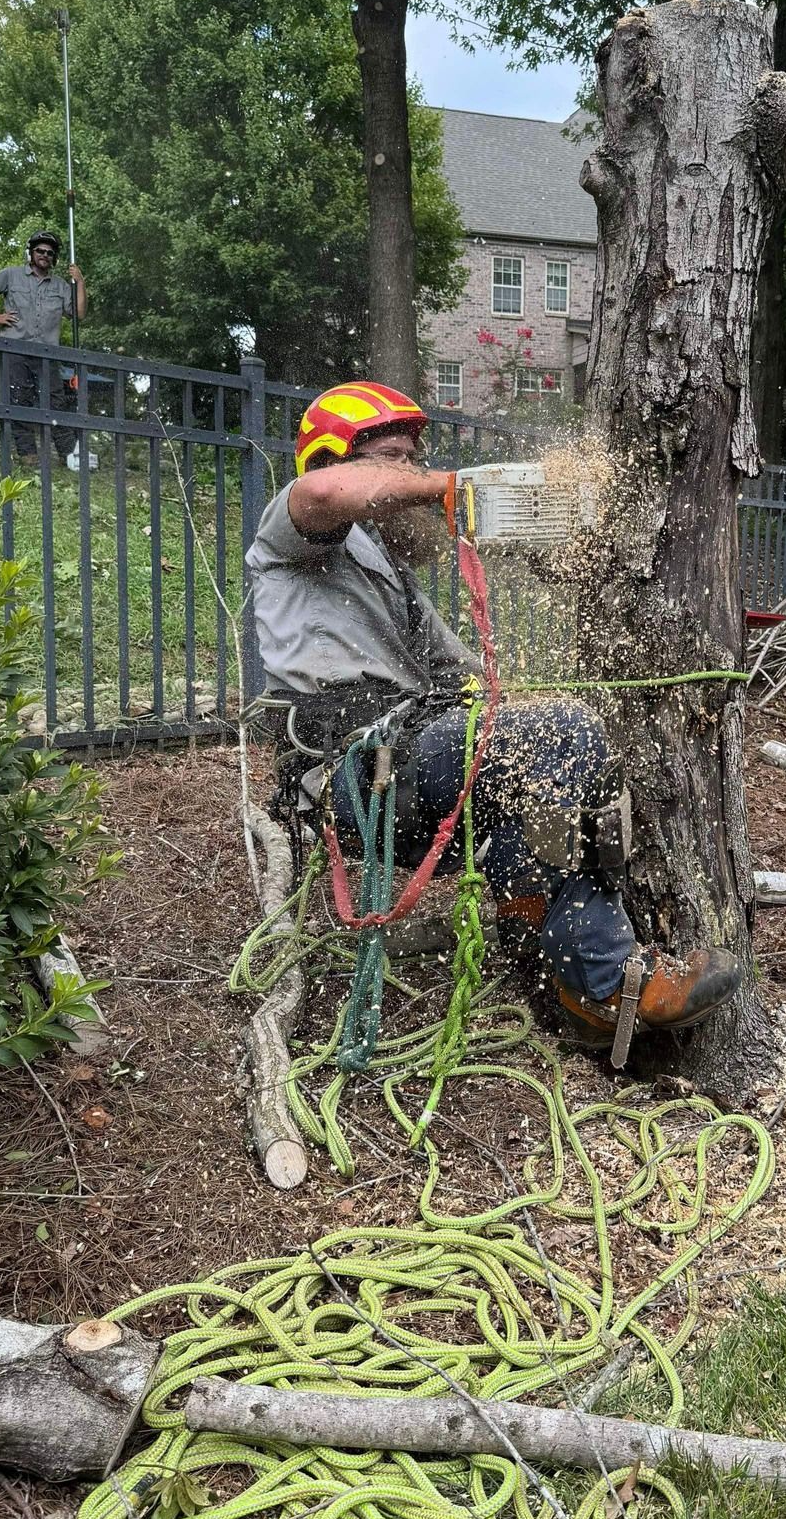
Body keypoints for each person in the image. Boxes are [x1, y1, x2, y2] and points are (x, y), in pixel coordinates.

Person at [246, 379, 742, 1050]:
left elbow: (471, 680)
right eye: (395, 457)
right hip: (354, 777)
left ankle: (573, 980)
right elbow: (324, 497)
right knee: (559, 733)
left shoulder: (396, 579)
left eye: (416, 460)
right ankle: (595, 979)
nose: (411, 474)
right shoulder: (296, 531)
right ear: (335, 457)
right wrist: (448, 485)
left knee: (553, 774)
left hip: (410, 768)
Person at [0, 232, 87, 461]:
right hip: (16, 348)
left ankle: (68, 454)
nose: (44, 255)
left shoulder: (60, 285)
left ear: (53, 258)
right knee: (20, 399)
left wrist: (80, 282)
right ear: (31, 253)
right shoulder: (12, 274)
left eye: (49, 253)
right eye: (40, 251)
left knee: (56, 402)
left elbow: (79, 313)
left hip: (47, 352)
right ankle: (28, 454)